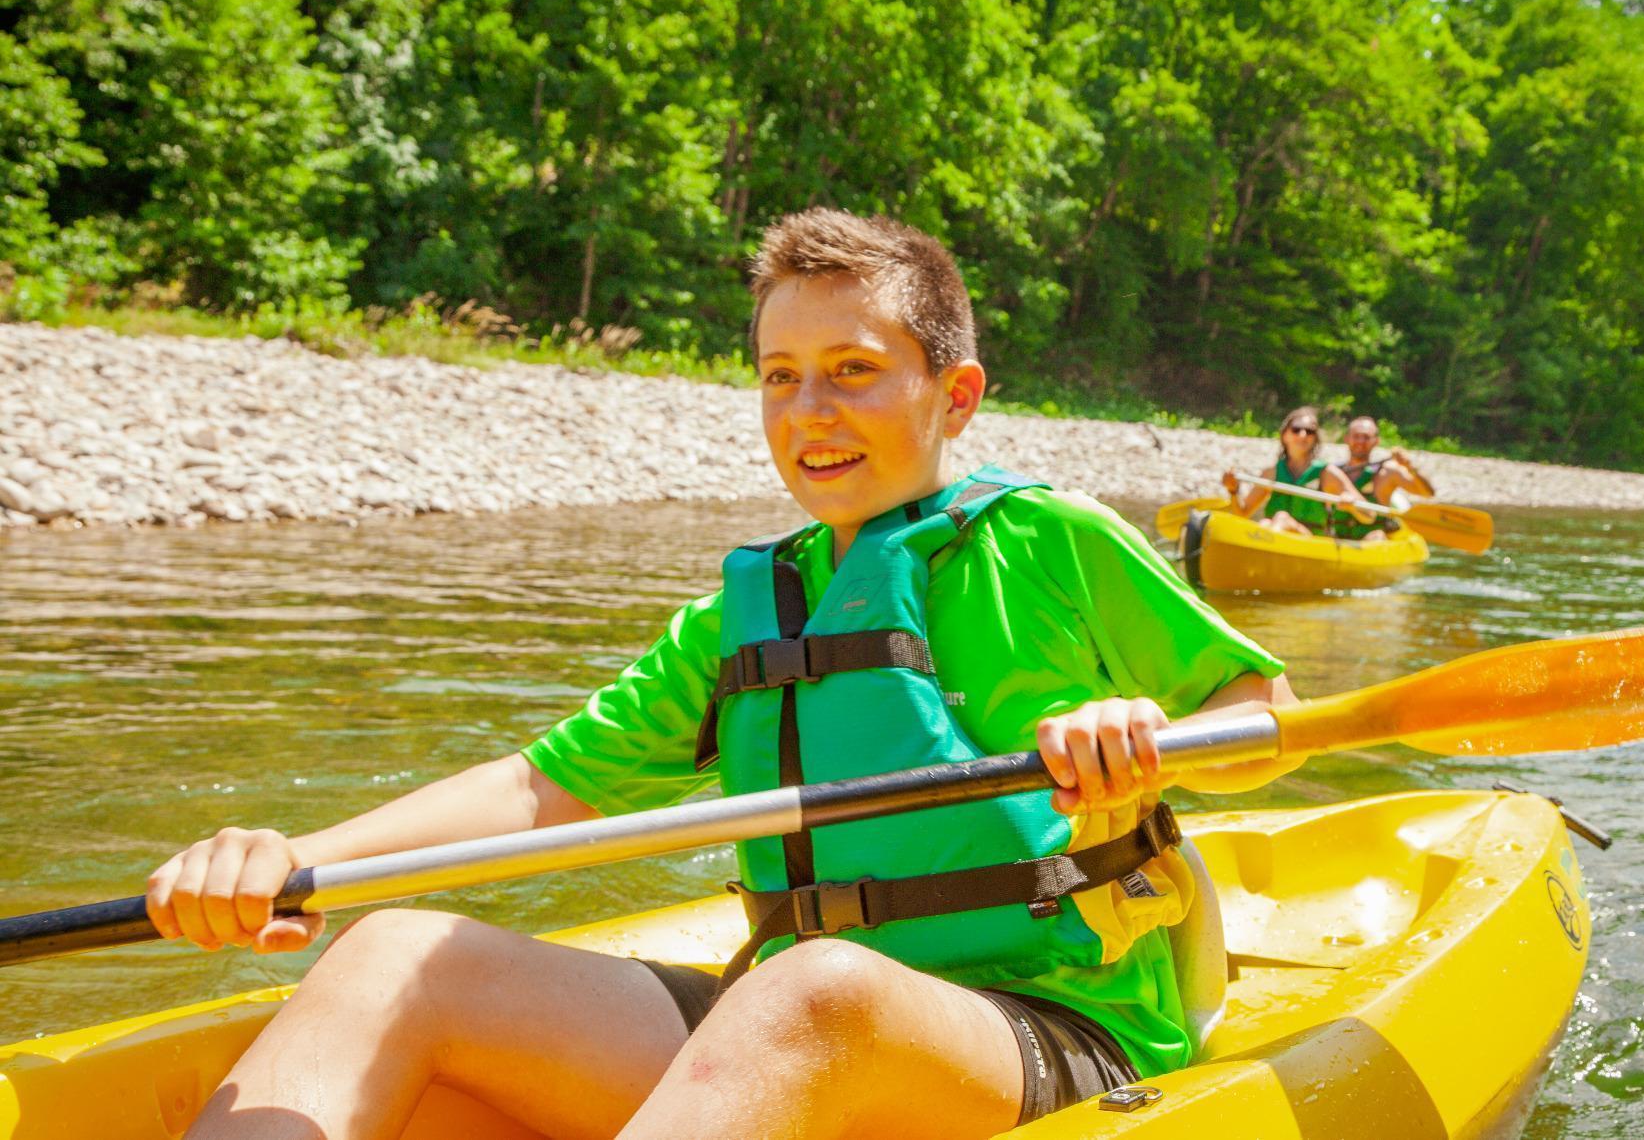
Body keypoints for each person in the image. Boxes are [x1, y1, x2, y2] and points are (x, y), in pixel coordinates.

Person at [145, 208, 1303, 1140]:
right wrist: (294, 864)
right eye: (779, 375)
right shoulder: (741, 612)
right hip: (791, 1021)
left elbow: (1263, 714)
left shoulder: (1052, 541)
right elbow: (542, 790)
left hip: (1050, 1034)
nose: (811, 411)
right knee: (397, 953)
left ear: (953, 395)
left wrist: (1141, 725)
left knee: (815, 990)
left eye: (853, 370)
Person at [1221, 407, 1373, 538]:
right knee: (1265, 523)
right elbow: (1242, 514)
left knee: (1281, 518)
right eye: (1296, 430)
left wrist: (1352, 504)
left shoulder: (1327, 473)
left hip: (1311, 542)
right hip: (1276, 533)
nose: (1303, 435)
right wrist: (1233, 491)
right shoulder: (1272, 473)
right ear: (1285, 435)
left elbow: (1369, 515)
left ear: (1315, 438)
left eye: (1309, 431)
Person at [1330, 416, 1435, 540]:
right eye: (1356, 436)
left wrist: (1409, 466)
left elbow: (1427, 493)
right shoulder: (1333, 472)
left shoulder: (1387, 472)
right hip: (1337, 538)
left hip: (1373, 539)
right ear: (1346, 439)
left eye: (1366, 437)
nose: (1360, 441)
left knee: (1376, 537)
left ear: (1376, 441)